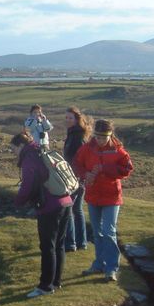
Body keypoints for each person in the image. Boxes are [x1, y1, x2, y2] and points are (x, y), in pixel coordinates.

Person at [12, 130, 73, 297]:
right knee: (59, 244)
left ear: (21, 145)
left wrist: (18, 201)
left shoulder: (29, 158)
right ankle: (56, 282)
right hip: (65, 201)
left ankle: (45, 287)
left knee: (48, 247)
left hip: (50, 207)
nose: (14, 153)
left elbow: (28, 185)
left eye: (14, 149)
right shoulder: (42, 150)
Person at [72, 119, 134, 282]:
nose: (99, 141)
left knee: (108, 231)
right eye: (97, 137)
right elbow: (77, 164)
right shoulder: (86, 149)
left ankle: (111, 268)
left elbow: (127, 169)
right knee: (98, 233)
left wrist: (105, 169)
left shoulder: (118, 151)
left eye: (103, 138)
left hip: (111, 197)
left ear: (110, 135)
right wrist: (85, 174)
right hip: (93, 196)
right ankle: (99, 264)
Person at [63, 106, 91, 252]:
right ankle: (81, 242)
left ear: (76, 119)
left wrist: (76, 177)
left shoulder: (77, 137)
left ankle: (71, 243)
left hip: (74, 178)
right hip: (75, 178)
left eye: (70, 118)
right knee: (77, 209)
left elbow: (78, 160)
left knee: (68, 209)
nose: (67, 120)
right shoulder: (74, 133)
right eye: (66, 117)